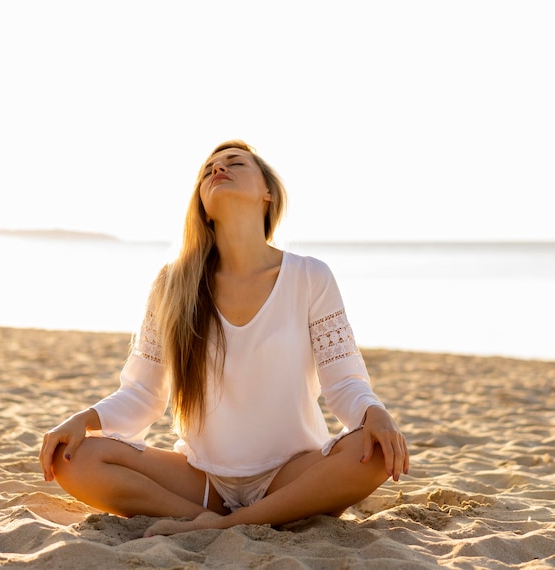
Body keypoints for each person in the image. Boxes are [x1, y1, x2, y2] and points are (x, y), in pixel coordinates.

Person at [39, 140, 409, 537]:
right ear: (202, 203)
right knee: (71, 457)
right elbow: (143, 394)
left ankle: (221, 526)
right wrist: (82, 420)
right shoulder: (173, 284)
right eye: (207, 170)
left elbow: (343, 381)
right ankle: (209, 518)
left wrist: (375, 413)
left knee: (371, 454)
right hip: (201, 482)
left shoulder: (309, 277)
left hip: (293, 473)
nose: (218, 169)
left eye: (234, 163)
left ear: (267, 192)